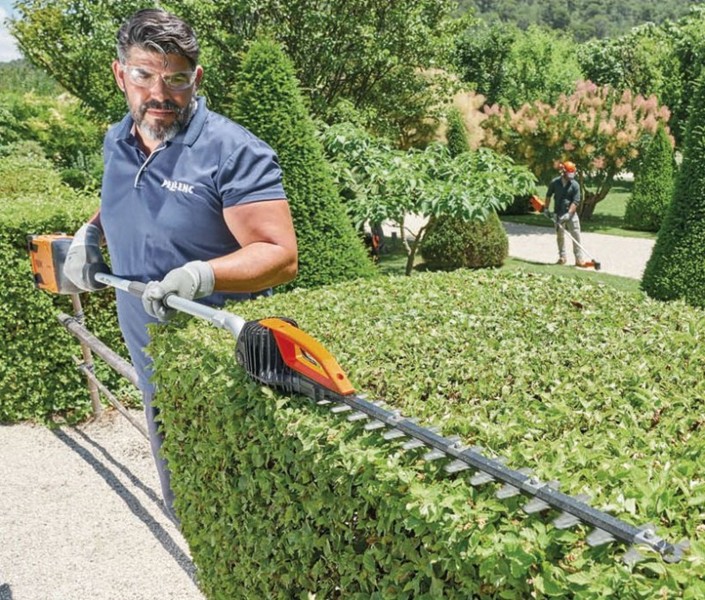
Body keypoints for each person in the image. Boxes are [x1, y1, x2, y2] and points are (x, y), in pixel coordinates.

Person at [63, 8, 298, 520]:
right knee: (181, 495)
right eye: (145, 75)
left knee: (232, 506)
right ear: (120, 73)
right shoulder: (116, 138)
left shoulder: (234, 152)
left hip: (216, 370)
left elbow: (280, 256)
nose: (159, 94)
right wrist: (92, 231)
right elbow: (126, 197)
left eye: (175, 79)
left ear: (197, 78)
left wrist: (202, 275)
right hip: (151, 359)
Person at [545, 161, 587, 267]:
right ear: (563, 172)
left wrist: (568, 214)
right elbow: (548, 196)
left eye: (572, 174)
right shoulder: (555, 183)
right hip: (558, 214)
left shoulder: (575, 185)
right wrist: (546, 209)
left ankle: (579, 259)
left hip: (571, 215)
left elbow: (576, 201)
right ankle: (562, 257)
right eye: (569, 174)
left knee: (576, 235)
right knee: (560, 236)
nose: (571, 176)